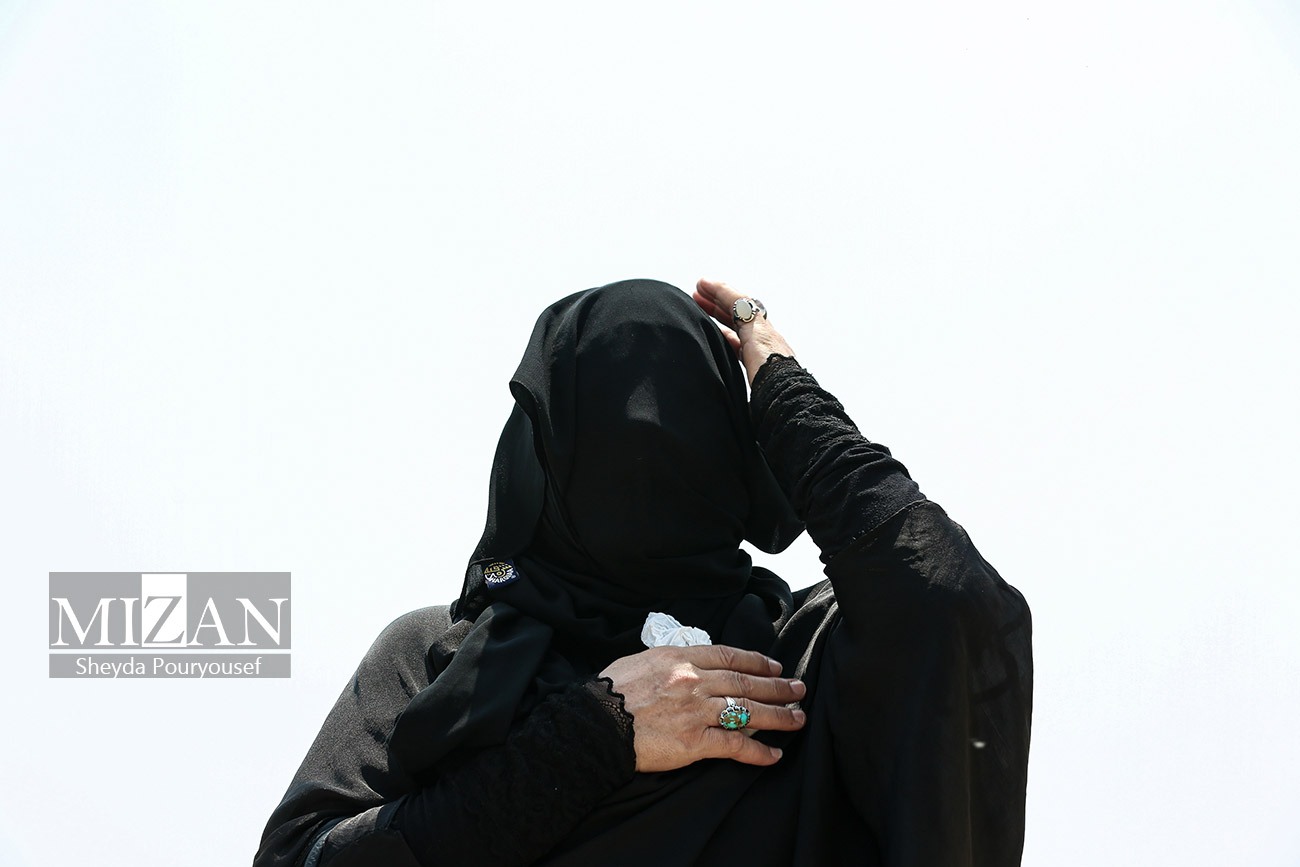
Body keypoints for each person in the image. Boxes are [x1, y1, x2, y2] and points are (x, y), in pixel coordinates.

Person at [253, 278, 1033, 867]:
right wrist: (593, 737)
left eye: (684, 426)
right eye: (607, 431)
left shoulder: (805, 665)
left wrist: (791, 398)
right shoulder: (444, 659)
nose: (647, 453)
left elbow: (954, 610)